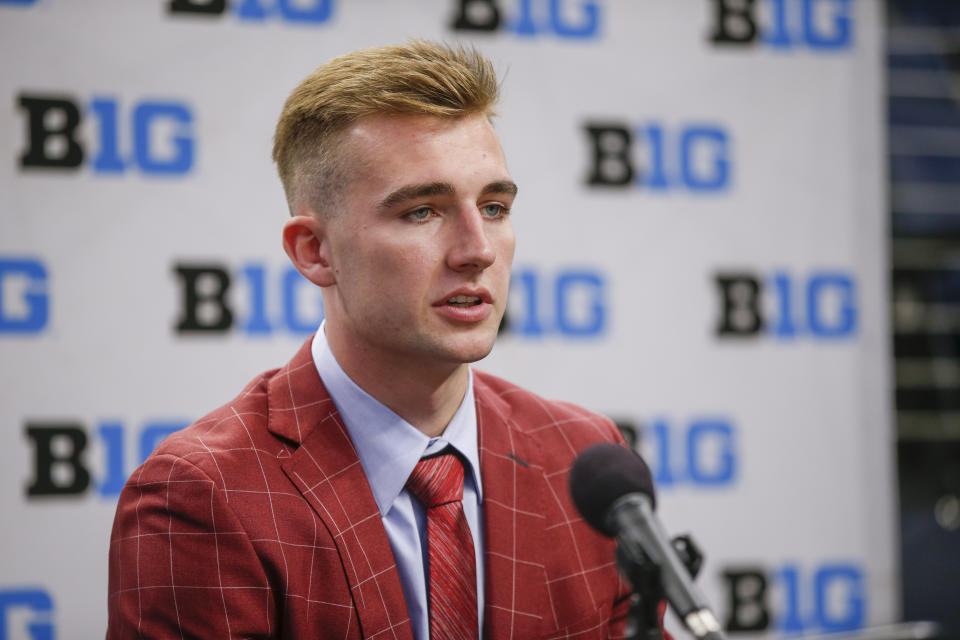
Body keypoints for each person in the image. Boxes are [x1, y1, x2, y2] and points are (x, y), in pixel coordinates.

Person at [107, 40, 640, 640]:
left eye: (494, 207)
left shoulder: (583, 459)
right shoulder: (201, 496)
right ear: (315, 251)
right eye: (422, 212)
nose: (477, 250)